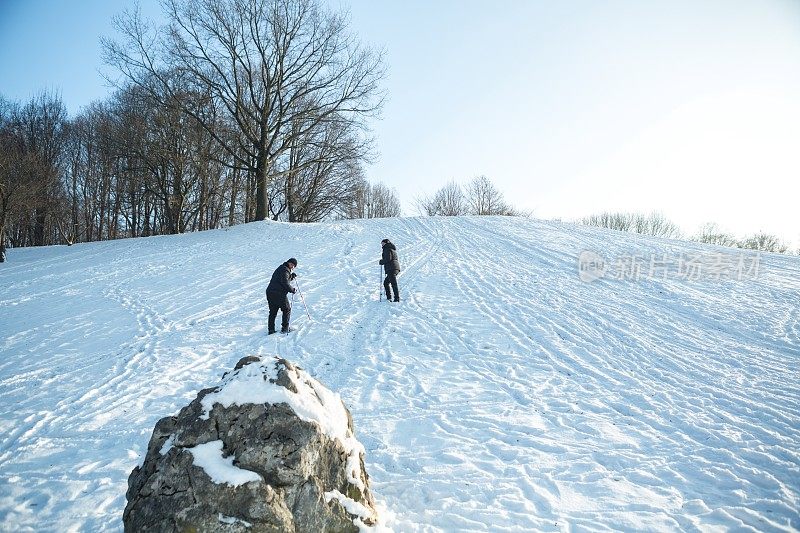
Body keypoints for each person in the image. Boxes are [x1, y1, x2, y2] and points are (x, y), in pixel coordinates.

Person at [266, 257, 297, 334]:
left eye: (294, 266)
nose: (292, 266)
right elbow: (285, 283)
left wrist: (291, 277)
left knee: (273, 311)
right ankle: (285, 328)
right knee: (286, 309)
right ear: (288, 262)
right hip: (278, 293)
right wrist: (292, 290)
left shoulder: (281, 268)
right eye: (292, 264)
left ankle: (271, 330)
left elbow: (283, 280)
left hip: (270, 292)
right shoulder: (285, 270)